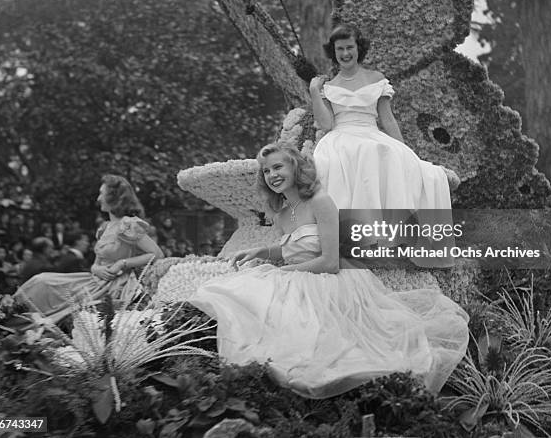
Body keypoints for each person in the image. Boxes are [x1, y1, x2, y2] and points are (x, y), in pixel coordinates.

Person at [189, 142, 468, 399]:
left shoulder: (320, 201)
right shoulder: (283, 213)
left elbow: (329, 261)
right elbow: (292, 247)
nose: (272, 174)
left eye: (278, 167)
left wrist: (284, 273)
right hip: (300, 277)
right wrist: (263, 252)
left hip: (331, 280)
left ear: (295, 168)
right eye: (266, 171)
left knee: (315, 347)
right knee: (227, 294)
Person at [310, 23, 456, 266]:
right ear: (333, 52)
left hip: (370, 133)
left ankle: (383, 239)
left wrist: (406, 153)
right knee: (338, 161)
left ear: (359, 49)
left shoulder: (376, 79)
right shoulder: (328, 85)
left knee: (380, 153)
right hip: (339, 137)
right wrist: (315, 92)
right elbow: (326, 124)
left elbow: (387, 119)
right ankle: (351, 239)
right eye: (340, 49)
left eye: (349, 48)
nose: (345, 54)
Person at [16, 175, 164, 322]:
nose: (98, 199)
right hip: (94, 281)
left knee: (45, 283)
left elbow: (156, 254)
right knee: (40, 281)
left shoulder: (129, 225)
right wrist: (96, 269)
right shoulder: (105, 227)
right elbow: (95, 264)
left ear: (114, 198)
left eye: (102, 194)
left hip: (113, 286)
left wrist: (122, 263)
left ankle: (15, 317)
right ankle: (7, 312)